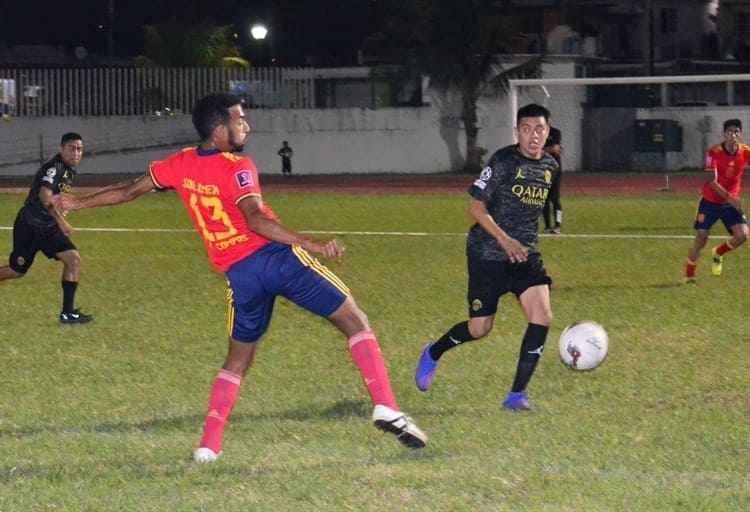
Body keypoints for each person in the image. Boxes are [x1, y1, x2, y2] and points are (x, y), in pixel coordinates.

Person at [62, 92, 426, 462]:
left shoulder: (180, 163)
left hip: (240, 277)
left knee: (238, 358)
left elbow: (128, 190)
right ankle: (386, 405)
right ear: (219, 130)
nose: (245, 126)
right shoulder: (237, 166)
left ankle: (208, 446)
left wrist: (78, 203)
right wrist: (310, 244)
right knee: (355, 321)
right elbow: (255, 219)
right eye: (239, 120)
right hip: (278, 261)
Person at [414, 103, 558, 411]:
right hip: (487, 254)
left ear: (548, 132)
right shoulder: (504, 161)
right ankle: (434, 351)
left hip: (524, 256)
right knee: (480, 329)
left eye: (540, 129)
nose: (534, 136)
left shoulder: (550, 166)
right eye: (527, 129)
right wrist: (504, 239)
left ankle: (516, 396)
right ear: (517, 131)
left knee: (542, 316)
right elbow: (476, 207)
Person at [0, 132, 93, 324]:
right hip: (30, 226)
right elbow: (45, 196)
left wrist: (60, 211)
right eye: (71, 148)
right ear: (61, 149)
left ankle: (67, 313)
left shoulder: (68, 170)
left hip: (47, 227)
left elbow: (55, 198)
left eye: (79, 149)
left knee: (73, 260)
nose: (76, 153)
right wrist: (61, 221)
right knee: (17, 270)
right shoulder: (54, 167)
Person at [685, 118, 750, 284]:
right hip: (710, 202)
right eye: (729, 131)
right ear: (724, 134)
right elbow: (712, 182)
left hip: (730, 205)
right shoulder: (713, 153)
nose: (733, 135)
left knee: (743, 235)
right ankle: (689, 275)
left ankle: (718, 253)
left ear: (741, 135)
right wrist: (730, 197)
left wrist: (731, 200)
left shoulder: (746, 152)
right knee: (701, 237)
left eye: (736, 131)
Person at [542, 126, 563, 234]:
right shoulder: (537, 133)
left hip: (554, 171)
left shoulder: (555, 132)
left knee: (555, 199)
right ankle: (547, 226)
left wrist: (541, 150)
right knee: (543, 199)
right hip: (541, 170)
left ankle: (558, 225)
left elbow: (555, 148)